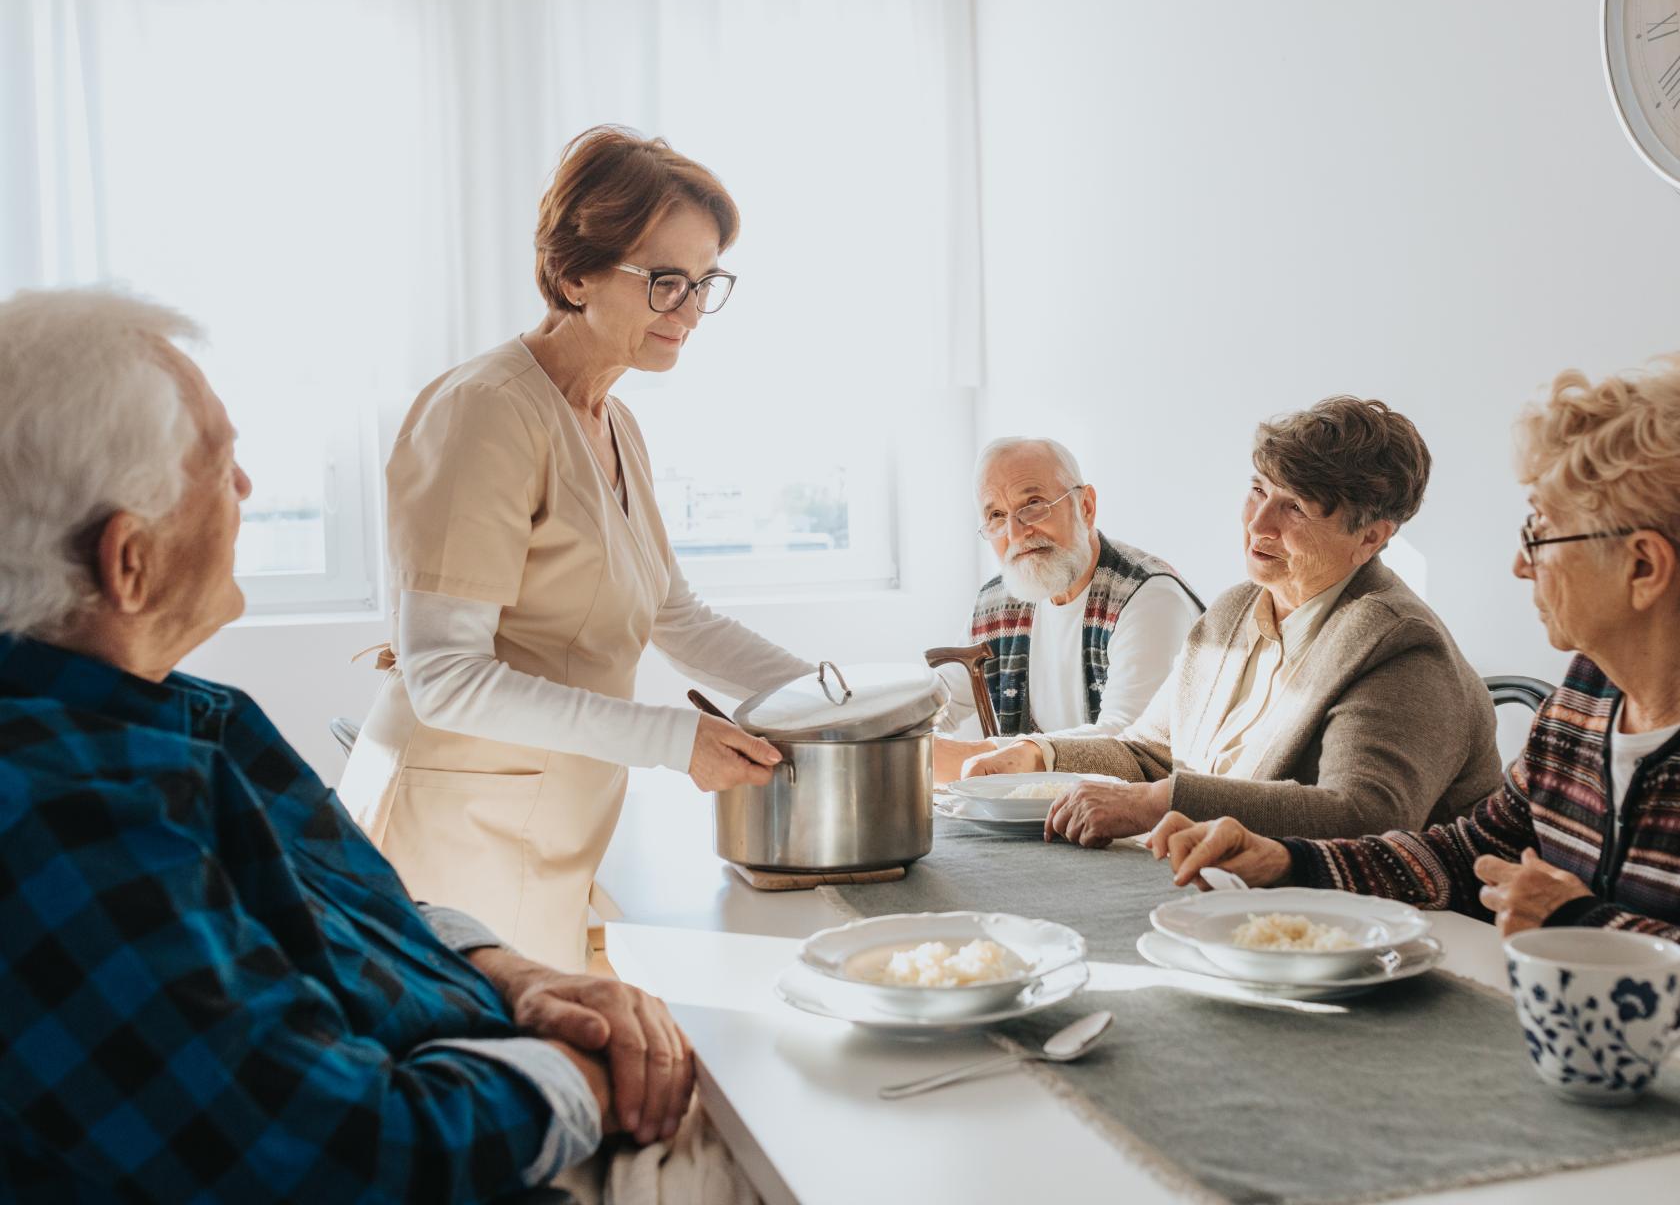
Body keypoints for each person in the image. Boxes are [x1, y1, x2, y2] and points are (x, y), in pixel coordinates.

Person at [0, 287, 751, 1200]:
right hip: (465, 1115)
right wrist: (581, 1075)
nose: (244, 490)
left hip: (478, 1032)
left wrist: (504, 974)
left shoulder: (192, 716)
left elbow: (345, 913)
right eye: (219, 464)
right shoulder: (69, 824)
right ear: (130, 560)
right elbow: (350, 1155)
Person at [1149, 354, 1680, 1063]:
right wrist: (1288, 860)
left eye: (1542, 531)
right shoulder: (1591, 692)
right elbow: (1464, 856)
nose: (1522, 562)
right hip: (1631, 1064)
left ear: (1644, 566)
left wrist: (1581, 927)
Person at [342, 126, 816, 970]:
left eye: (705, 282)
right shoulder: (483, 412)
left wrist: (829, 701)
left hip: (549, 828)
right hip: (453, 836)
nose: (691, 309)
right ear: (572, 274)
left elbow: (678, 617)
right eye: (665, 280)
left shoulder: (613, 421)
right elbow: (444, 677)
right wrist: (678, 741)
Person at [965, 398, 1501, 847]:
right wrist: (1040, 755)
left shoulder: (1399, 644)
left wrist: (1158, 803)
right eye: (1259, 491)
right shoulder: (1235, 610)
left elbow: (1362, 815)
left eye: (1296, 508)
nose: (1259, 525)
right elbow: (1151, 752)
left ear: (1372, 537)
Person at [931, 436, 1203, 781]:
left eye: (1032, 504)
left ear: (1085, 506)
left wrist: (975, 755)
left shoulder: (1149, 597)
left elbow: (1133, 748)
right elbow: (937, 704)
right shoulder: (997, 603)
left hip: (1141, 826)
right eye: (997, 515)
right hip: (1041, 819)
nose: (1016, 532)